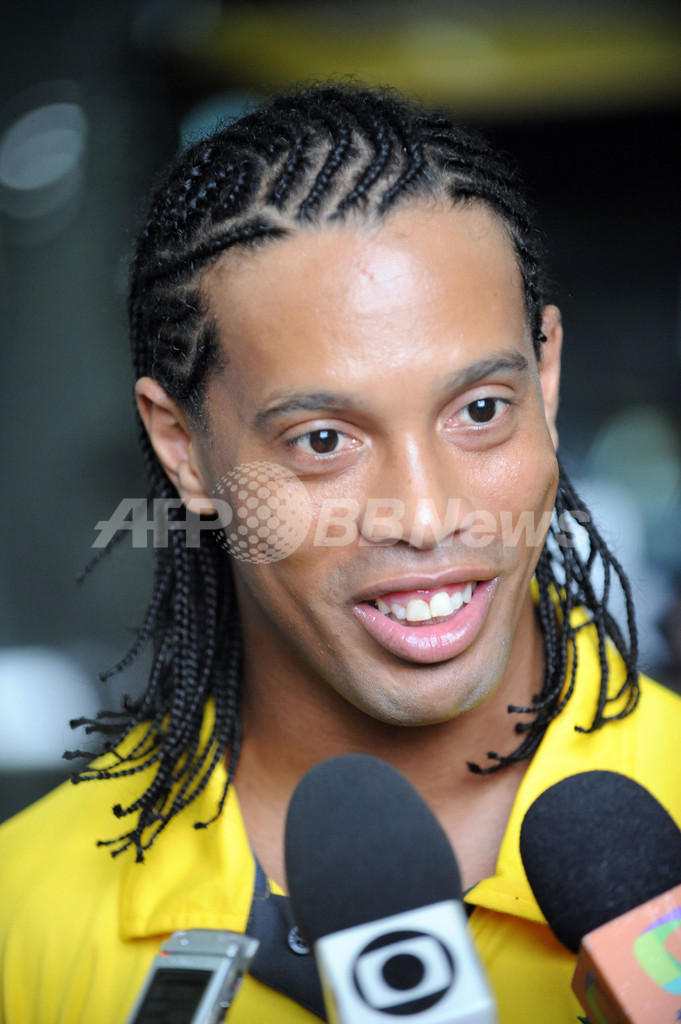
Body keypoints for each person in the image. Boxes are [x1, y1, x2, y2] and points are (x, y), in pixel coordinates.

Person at [0, 82, 679, 1024]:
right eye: (323, 440)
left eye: (481, 410)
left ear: (547, 377)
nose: (426, 515)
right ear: (182, 447)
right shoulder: (23, 919)